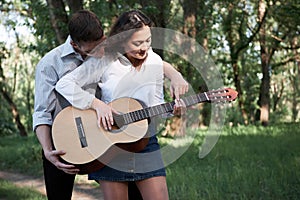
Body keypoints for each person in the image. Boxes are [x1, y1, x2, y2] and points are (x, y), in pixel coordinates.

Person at [33, 9, 187, 200]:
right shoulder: (52, 64)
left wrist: (174, 97)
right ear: (75, 45)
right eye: (92, 51)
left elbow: (156, 101)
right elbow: (42, 112)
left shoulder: (140, 57)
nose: (99, 52)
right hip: (63, 136)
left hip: (123, 138)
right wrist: (48, 150)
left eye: (148, 41)